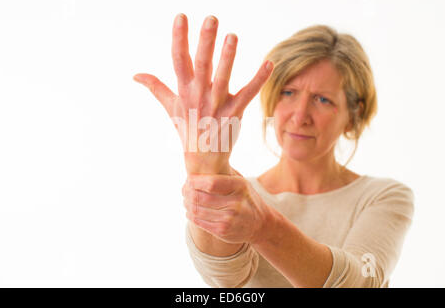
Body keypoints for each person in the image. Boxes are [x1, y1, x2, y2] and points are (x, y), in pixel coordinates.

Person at [133, 14, 414, 288]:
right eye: (288, 92)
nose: (299, 115)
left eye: (322, 99)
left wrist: (264, 228)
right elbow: (224, 279)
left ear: (354, 114)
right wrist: (205, 169)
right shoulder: (241, 198)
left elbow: (362, 283)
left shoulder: (383, 197)